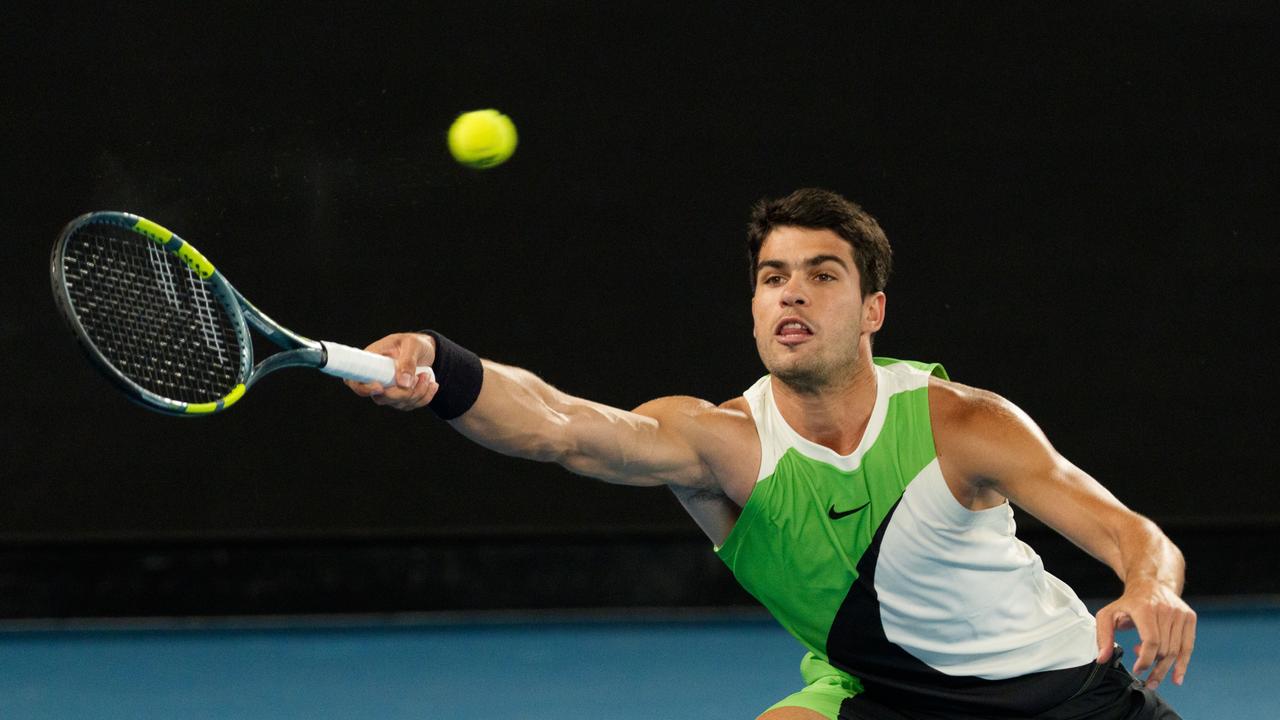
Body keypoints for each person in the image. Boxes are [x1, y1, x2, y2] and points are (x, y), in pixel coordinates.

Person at [346, 188, 1193, 719]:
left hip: (1067, 697)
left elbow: (1130, 533)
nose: (792, 292)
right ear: (754, 307)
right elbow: (559, 425)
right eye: (772, 276)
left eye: (823, 275)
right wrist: (441, 365)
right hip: (886, 697)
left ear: (872, 311)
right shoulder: (721, 444)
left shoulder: (964, 423)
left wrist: (1151, 586)